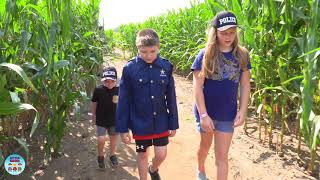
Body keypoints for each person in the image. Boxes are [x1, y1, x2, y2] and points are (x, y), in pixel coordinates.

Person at [191, 11, 251, 180]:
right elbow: (197, 86)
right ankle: (200, 169)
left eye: (232, 32)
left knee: (222, 156)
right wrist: (203, 115)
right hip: (206, 113)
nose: (228, 36)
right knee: (205, 146)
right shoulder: (205, 55)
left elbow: (245, 84)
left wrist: (243, 110)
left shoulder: (243, 55)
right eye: (224, 33)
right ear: (215, 32)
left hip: (227, 115)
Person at [116, 28, 179, 180]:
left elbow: (171, 97)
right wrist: (123, 128)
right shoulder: (130, 68)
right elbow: (123, 100)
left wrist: (173, 123)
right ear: (138, 49)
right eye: (144, 52)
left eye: (152, 51)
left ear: (158, 48)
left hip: (161, 121)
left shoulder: (166, 67)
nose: (149, 55)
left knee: (161, 154)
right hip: (139, 121)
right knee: (142, 155)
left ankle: (153, 168)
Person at [91, 66, 120, 169]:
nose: (109, 84)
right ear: (103, 80)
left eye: (112, 81)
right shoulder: (98, 90)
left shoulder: (118, 90)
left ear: (115, 80)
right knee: (101, 139)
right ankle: (100, 156)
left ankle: (112, 155)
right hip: (101, 119)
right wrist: (93, 116)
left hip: (114, 120)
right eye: (106, 81)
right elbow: (94, 103)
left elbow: (122, 104)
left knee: (113, 139)